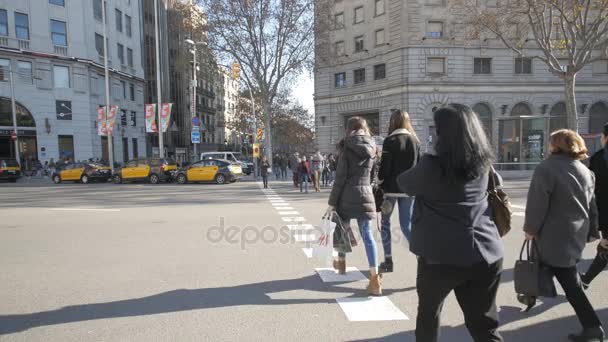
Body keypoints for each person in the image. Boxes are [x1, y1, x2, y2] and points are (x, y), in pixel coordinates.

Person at [397, 104, 504, 342]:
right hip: (486, 252)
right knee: (484, 326)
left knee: (429, 318)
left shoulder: (432, 165)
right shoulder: (483, 163)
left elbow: (404, 183)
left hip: (440, 257)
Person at [524, 129, 603, 342]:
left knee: (570, 284)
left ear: (555, 145)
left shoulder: (546, 169)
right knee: (566, 277)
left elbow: (537, 204)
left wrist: (530, 229)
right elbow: (592, 205)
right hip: (575, 234)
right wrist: (594, 231)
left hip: (553, 236)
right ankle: (531, 296)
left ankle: (593, 326)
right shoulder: (585, 170)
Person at [327, 116, 382, 296]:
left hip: (346, 196)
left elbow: (340, 178)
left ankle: (341, 263)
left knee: (342, 228)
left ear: (349, 129)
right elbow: (374, 176)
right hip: (366, 194)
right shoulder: (373, 147)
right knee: (367, 235)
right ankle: (374, 279)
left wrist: (332, 203)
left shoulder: (346, 147)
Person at [377, 109, 421, 273]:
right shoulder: (415, 141)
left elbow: (385, 167)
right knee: (406, 225)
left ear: (393, 122)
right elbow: (419, 166)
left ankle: (388, 261)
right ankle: (421, 255)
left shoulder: (390, 140)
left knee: (385, 223)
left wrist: (379, 180)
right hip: (409, 190)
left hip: (390, 190)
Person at [582, 122, 608, 288]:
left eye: (602, 136)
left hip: (605, 213)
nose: (600, 139)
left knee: (605, 248)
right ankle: (586, 279)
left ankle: (585, 280)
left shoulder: (600, 158)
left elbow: (596, 193)